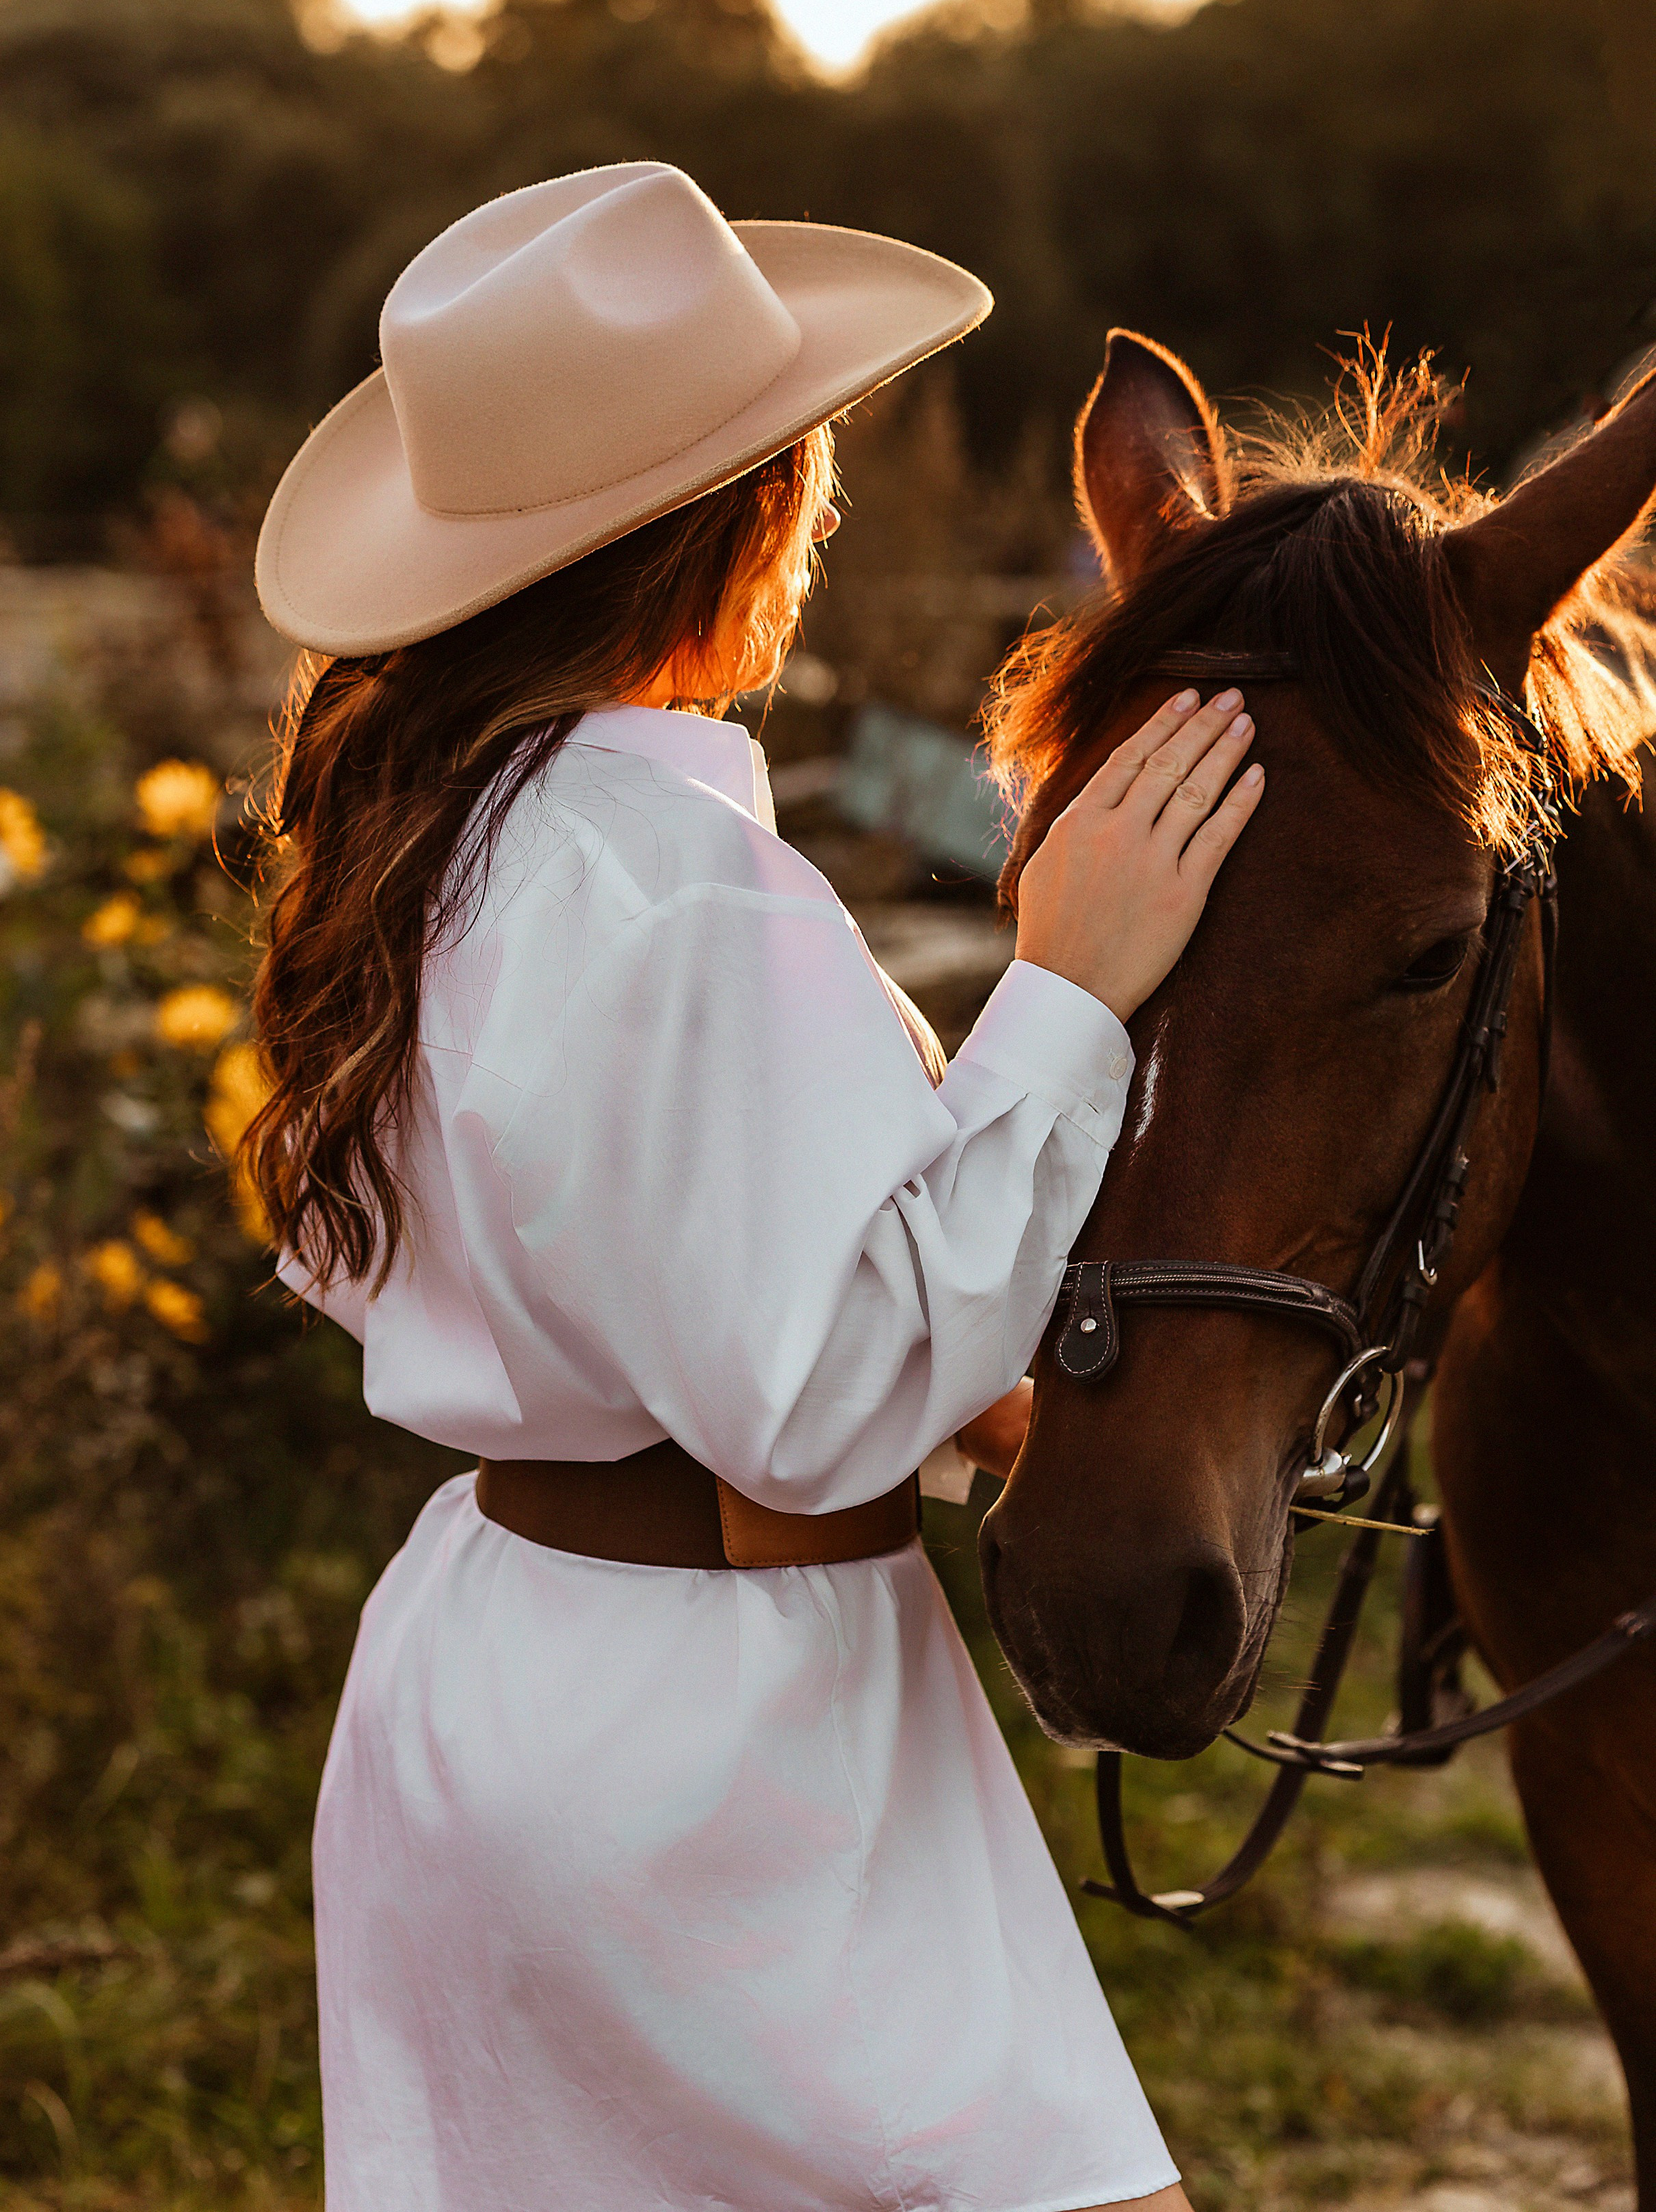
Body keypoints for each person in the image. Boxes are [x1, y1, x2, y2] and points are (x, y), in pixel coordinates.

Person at [248, 161, 1263, 2212]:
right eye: (804, 467)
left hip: (500, 1661)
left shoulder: (437, 846)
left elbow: (644, 1288)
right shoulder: (686, 890)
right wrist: (1067, 994)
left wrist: (984, 1406)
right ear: (750, 522)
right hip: (728, 1741)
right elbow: (818, 1392)